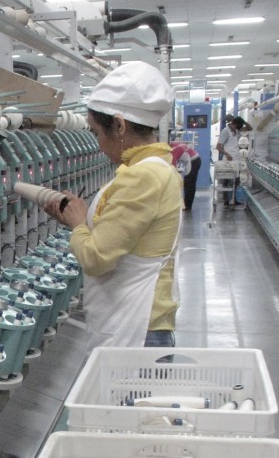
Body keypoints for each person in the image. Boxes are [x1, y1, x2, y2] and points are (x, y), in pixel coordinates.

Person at [44, 61, 181, 348]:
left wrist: (78, 224)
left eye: (96, 133)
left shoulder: (144, 176)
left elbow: (96, 258)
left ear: (119, 125)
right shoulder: (150, 169)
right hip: (132, 322)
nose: (98, 144)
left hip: (136, 327)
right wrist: (75, 217)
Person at [215, 116, 253, 207]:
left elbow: (250, 128)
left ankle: (233, 199)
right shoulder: (225, 132)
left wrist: (243, 121)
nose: (237, 129)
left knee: (236, 180)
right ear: (233, 124)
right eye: (236, 126)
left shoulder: (236, 130)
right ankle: (226, 201)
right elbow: (218, 147)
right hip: (228, 159)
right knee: (227, 180)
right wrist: (227, 154)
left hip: (236, 159)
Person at [171, 141, 201, 210]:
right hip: (196, 160)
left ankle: (188, 205)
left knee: (189, 184)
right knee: (190, 183)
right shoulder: (176, 144)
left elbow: (172, 167)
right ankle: (187, 204)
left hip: (193, 161)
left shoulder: (173, 150)